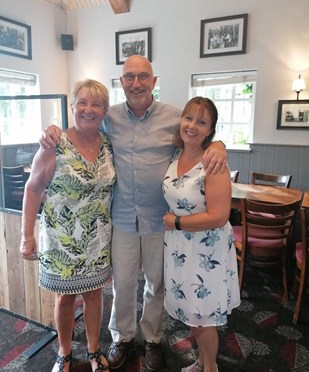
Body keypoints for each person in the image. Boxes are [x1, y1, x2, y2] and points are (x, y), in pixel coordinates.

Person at [39, 55, 227, 371]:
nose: (136, 83)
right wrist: (51, 130)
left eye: (143, 77)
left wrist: (219, 144)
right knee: (122, 284)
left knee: (156, 284)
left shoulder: (174, 117)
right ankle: (122, 338)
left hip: (160, 220)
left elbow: (201, 132)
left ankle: (152, 339)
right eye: (129, 77)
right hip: (121, 218)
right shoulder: (108, 116)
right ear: (122, 82)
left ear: (153, 82)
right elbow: (78, 126)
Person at [20, 79, 116, 372]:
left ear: (104, 111)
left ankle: (93, 349)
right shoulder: (55, 143)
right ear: (72, 107)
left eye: (96, 104)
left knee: (94, 295)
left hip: (97, 238)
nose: (89, 109)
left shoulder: (109, 143)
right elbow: (33, 188)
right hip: (61, 239)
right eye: (82, 103)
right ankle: (63, 352)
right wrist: (26, 236)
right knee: (64, 298)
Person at [162, 97, 240, 372]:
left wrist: (178, 222)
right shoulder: (175, 155)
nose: (192, 126)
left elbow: (219, 216)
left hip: (206, 248)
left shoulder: (213, 163)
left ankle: (210, 368)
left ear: (211, 130)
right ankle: (202, 360)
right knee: (191, 312)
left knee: (202, 317)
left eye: (202, 122)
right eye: (189, 118)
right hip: (180, 247)